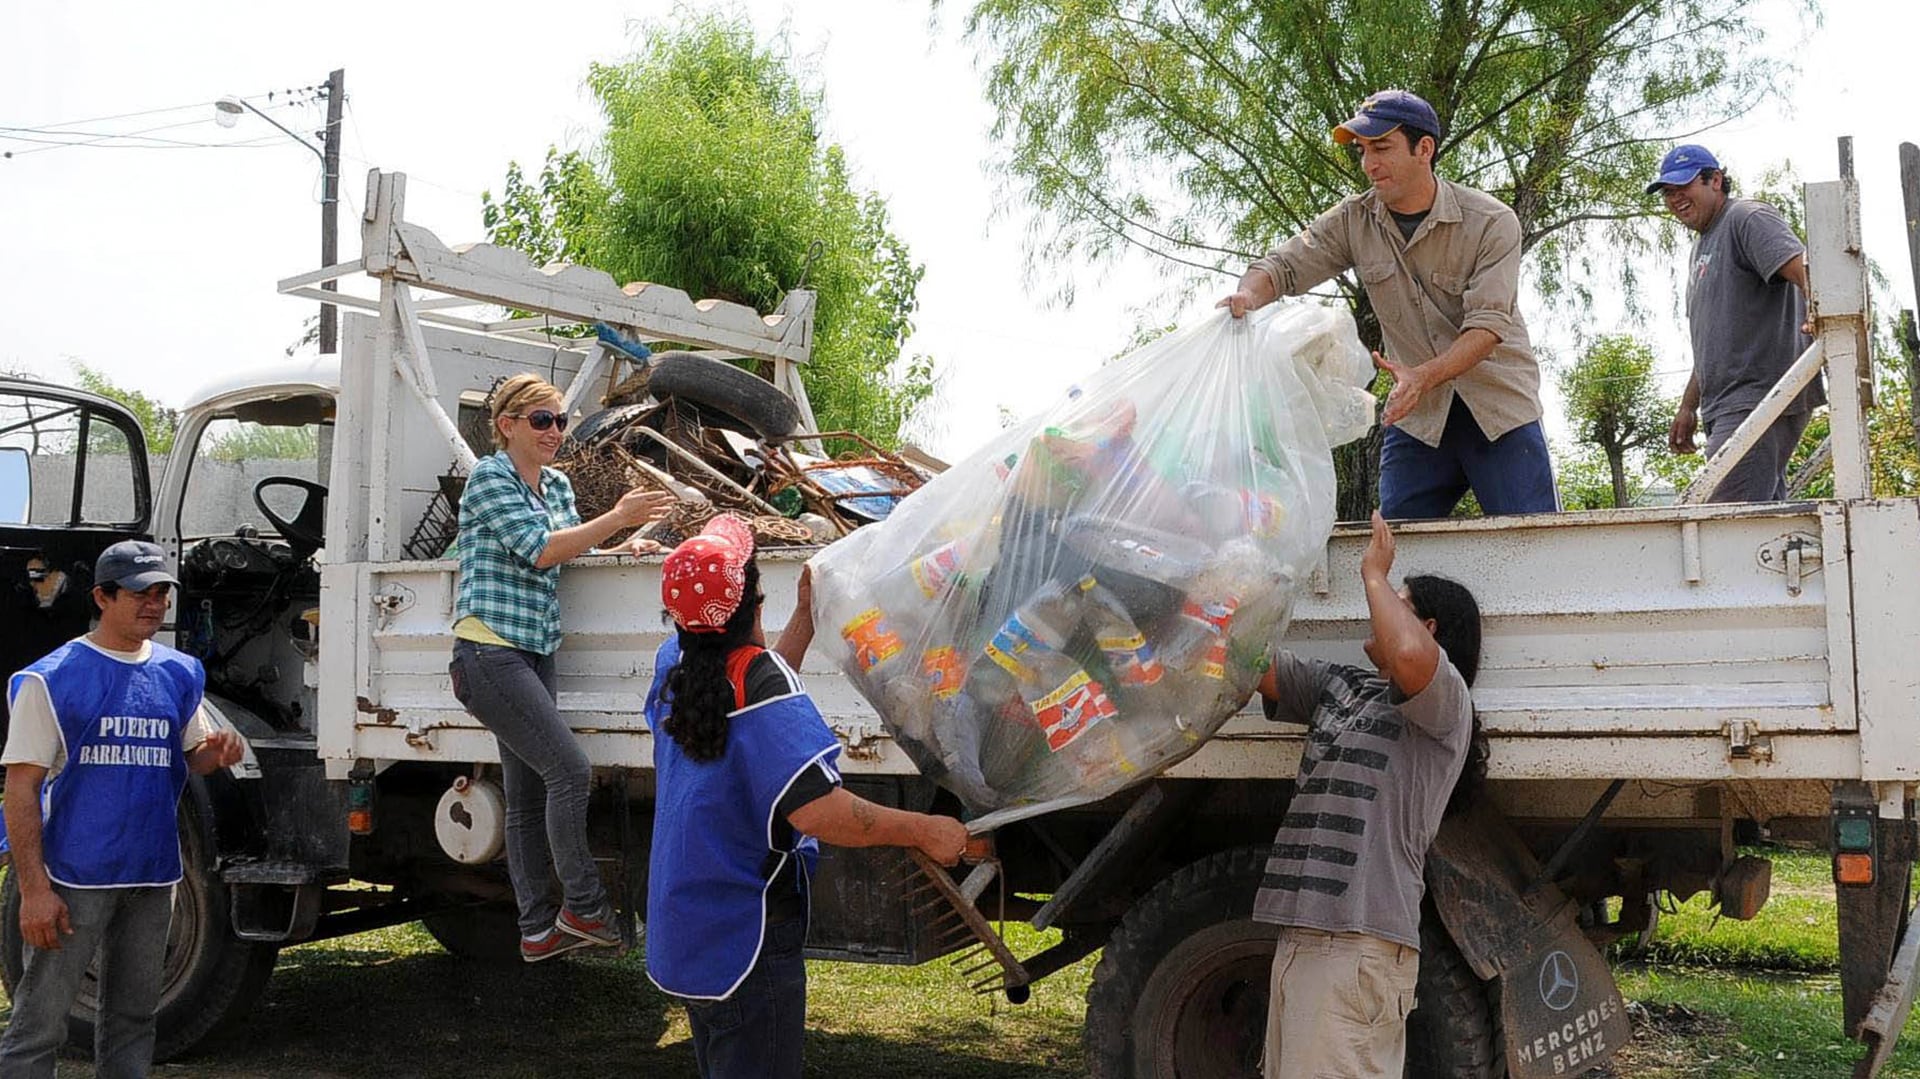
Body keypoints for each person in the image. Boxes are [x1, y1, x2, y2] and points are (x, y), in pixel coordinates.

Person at [642, 514, 978, 1079]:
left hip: (693, 929)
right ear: (754, 601)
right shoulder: (757, 681)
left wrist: (804, 616)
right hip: (749, 936)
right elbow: (822, 812)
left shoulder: (674, 667)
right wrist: (927, 830)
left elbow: (755, 701)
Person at [1219, 89, 1556, 520]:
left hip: (1498, 411)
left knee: (1537, 547)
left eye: (1382, 147)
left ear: (1425, 149)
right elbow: (1283, 266)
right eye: (1362, 151)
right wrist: (1248, 295)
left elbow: (1488, 328)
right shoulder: (1352, 219)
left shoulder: (1492, 222)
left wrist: (1421, 376)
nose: (1369, 164)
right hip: (1417, 419)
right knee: (1395, 549)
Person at [447, 373, 675, 962]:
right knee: (570, 772)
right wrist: (619, 518)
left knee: (525, 799)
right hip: (489, 651)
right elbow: (539, 548)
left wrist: (620, 550)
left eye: (561, 421)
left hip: (533, 650)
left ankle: (536, 929)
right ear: (507, 426)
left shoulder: (556, 486)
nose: (555, 432)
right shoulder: (489, 479)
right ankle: (586, 908)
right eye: (542, 420)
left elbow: (568, 551)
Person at [0, 540, 248, 1077]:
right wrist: (35, 892)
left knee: (135, 1018)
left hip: (154, 876)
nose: (153, 604)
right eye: (139, 593)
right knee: (39, 1024)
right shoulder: (52, 678)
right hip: (74, 878)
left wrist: (216, 752)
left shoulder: (179, 672)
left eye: (161, 592)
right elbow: (20, 790)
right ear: (102, 597)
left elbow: (191, 755)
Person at [1255, 511, 1486, 1077]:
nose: (1374, 611)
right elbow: (1250, 665)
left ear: (1427, 628)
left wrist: (1375, 574)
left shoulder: (1445, 704)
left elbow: (1409, 658)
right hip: (1305, 937)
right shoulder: (1344, 685)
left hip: (1356, 946)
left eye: (1395, 605)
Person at [1651, 144, 1822, 501]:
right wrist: (1688, 405)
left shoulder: (1747, 218)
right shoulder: (1703, 246)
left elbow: (1809, 274)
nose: (1675, 198)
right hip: (1729, 403)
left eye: (1684, 186)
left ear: (1715, 180)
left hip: (1761, 397)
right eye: (1668, 192)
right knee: (1757, 527)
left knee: (1726, 528)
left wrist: (1816, 315)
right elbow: (1716, 337)